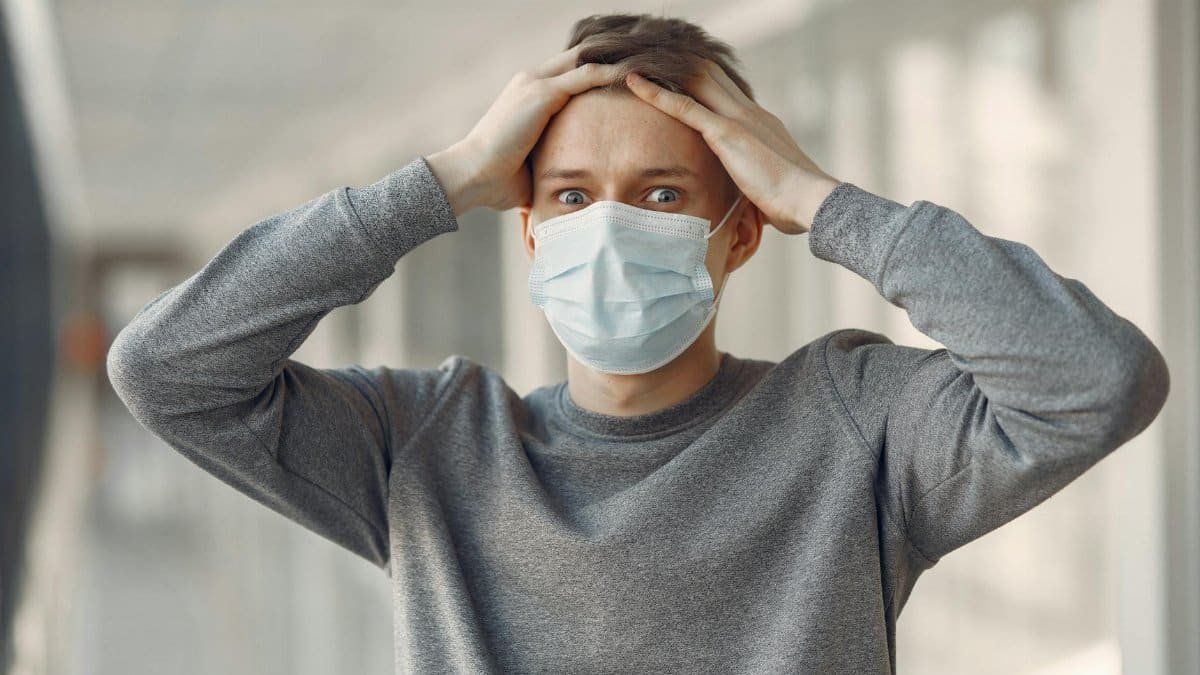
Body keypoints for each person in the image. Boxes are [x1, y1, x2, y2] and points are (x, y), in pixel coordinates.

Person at [105, 12, 1170, 675]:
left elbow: (1096, 380)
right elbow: (167, 369)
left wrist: (824, 200)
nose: (609, 228)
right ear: (529, 229)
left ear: (740, 231)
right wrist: (443, 180)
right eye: (572, 196)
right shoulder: (426, 444)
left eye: (661, 195)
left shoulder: (853, 425)